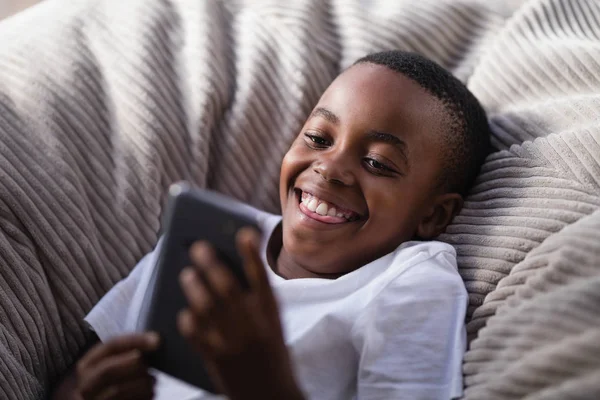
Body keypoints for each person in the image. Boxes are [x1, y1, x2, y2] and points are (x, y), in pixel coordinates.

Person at [52, 50, 491, 400]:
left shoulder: (411, 282)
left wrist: (261, 385)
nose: (329, 167)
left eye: (377, 162)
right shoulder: (208, 241)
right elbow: (81, 376)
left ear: (433, 215)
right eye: (318, 138)